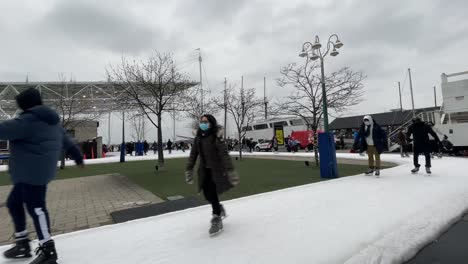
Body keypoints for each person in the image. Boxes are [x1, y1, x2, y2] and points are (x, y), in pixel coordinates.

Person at [1, 88, 84, 264]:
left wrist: (77, 157)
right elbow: (68, 142)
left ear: (26, 104)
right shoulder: (52, 122)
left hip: (31, 174)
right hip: (33, 173)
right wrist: (78, 157)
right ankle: (22, 242)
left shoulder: (28, 120)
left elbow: (3, 130)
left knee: (37, 208)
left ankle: (48, 250)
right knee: (13, 203)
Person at [185, 114, 239, 236]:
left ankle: (216, 217)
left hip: (216, 170)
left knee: (213, 193)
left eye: (205, 122)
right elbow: (193, 154)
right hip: (204, 170)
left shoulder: (216, 136)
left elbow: (224, 154)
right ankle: (219, 208)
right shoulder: (198, 138)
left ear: (211, 123)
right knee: (207, 194)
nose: (202, 124)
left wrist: (230, 170)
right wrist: (189, 169)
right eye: (201, 121)